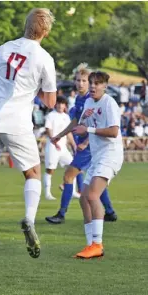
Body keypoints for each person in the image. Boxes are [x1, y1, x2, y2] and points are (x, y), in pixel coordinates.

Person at [0, 8, 57, 269]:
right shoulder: (44, 58)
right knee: (33, 173)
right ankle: (29, 218)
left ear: (25, 25)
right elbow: (50, 101)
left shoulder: (5, 48)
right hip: (18, 123)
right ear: (46, 32)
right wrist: (33, 89)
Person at [45, 64, 117, 225]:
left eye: (84, 80)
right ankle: (110, 212)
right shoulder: (79, 99)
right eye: (78, 80)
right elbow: (76, 122)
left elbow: (94, 123)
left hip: (90, 147)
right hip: (85, 146)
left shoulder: (92, 100)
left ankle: (61, 214)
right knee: (95, 179)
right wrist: (59, 136)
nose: (81, 84)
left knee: (68, 176)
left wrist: (85, 142)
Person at [72, 71, 123, 258]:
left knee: (93, 196)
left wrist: (89, 130)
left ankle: (98, 244)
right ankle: (89, 244)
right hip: (97, 156)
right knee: (83, 198)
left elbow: (114, 132)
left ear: (105, 86)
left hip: (110, 155)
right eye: (91, 83)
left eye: (97, 83)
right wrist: (76, 133)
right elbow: (82, 123)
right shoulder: (88, 102)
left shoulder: (109, 103)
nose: (93, 86)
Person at [43, 96, 75, 200]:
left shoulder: (66, 117)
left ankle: (72, 191)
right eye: (59, 103)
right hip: (53, 147)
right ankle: (47, 194)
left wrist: (74, 145)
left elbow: (69, 133)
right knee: (50, 170)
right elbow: (48, 129)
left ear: (65, 105)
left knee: (73, 168)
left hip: (63, 148)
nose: (61, 105)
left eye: (63, 104)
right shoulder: (50, 116)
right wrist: (53, 140)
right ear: (56, 104)